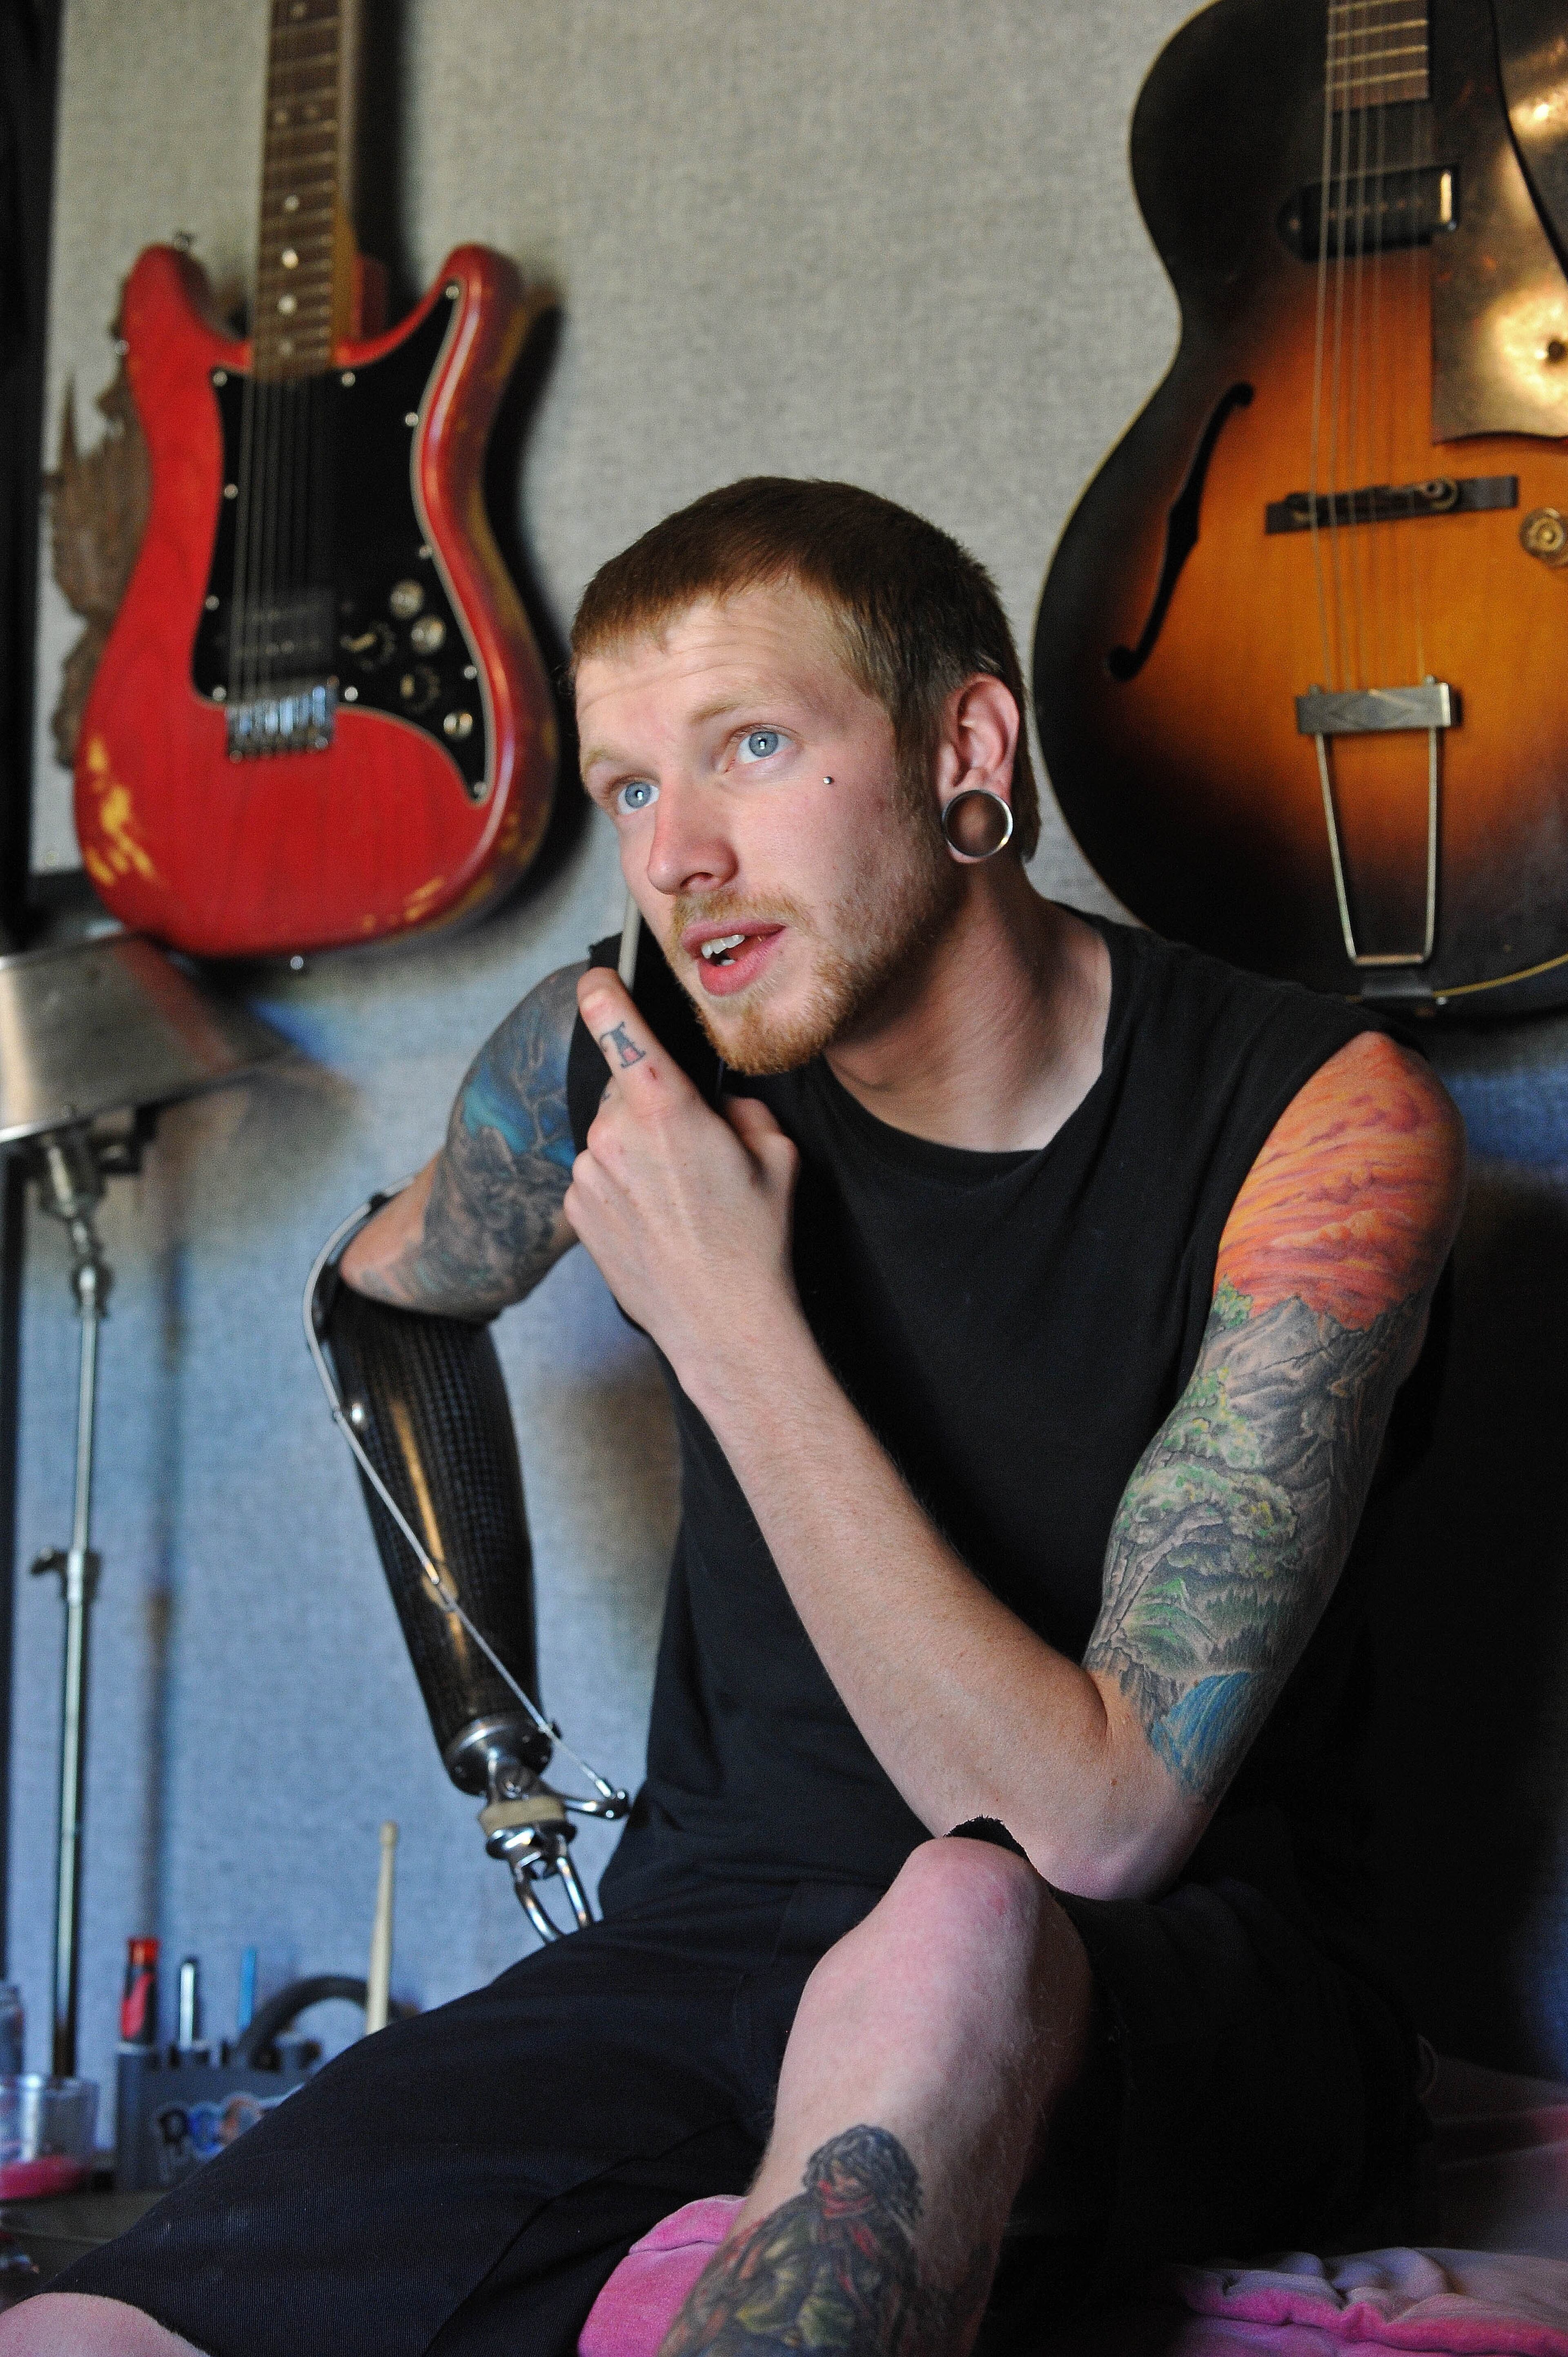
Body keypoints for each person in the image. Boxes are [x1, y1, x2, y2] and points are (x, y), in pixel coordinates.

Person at [10, 479, 1466, 2357]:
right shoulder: (608, 1063)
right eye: (628, 789)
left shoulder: (1326, 1128)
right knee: (84, 2336)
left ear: (966, 745)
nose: (676, 857)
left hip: (1177, 1984)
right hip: (711, 1942)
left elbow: (1091, 1827)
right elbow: (382, 1307)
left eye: (750, 748)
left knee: (958, 1916)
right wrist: (493, 1742)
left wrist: (727, 1322)